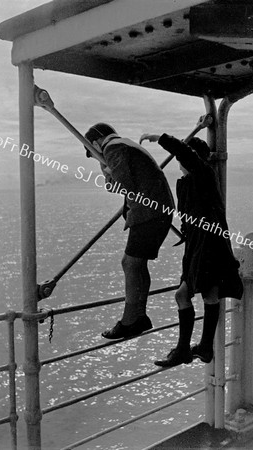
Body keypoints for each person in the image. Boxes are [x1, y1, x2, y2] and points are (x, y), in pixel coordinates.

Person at [140, 123, 243, 367]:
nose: (180, 161)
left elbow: (187, 154)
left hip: (209, 243)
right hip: (200, 243)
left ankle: (190, 349)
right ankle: (196, 348)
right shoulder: (190, 181)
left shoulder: (203, 173)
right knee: (199, 293)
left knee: (197, 293)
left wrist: (159, 137)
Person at [84, 123, 174, 339]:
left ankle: (129, 321)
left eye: (93, 152)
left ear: (97, 143)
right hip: (157, 210)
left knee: (130, 263)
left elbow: (124, 186)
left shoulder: (113, 148)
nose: (96, 157)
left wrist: (107, 171)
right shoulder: (124, 144)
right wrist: (110, 173)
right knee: (137, 263)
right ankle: (139, 316)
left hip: (148, 213)